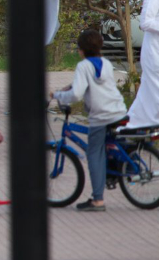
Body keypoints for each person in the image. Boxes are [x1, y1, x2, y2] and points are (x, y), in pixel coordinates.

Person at [51, 29, 129, 212]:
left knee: (94, 154)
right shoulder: (106, 63)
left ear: (82, 49)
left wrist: (57, 95)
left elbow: (77, 94)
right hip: (118, 110)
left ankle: (98, 200)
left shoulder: (83, 66)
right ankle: (112, 171)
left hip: (101, 116)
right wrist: (68, 87)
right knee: (108, 148)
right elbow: (93, 82)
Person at [128, 0, 159, 129]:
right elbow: (145, 22)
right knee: (155, 91)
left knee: (148, 94)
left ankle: (132, 126)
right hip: (155, 52)